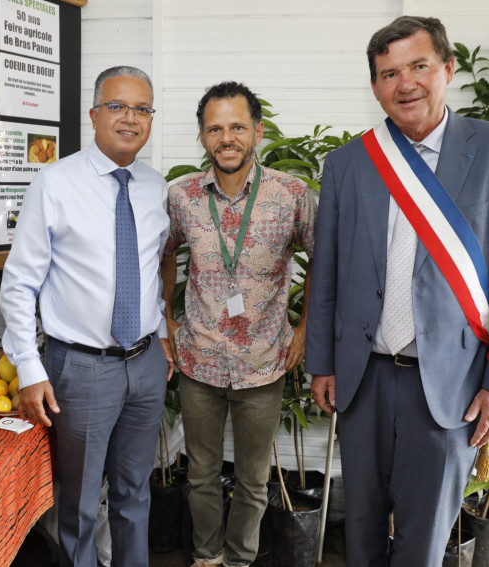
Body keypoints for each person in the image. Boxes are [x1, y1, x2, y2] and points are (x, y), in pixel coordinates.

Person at [305, 16, 489, 566]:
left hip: (450, 390)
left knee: (424, 538)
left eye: (418, 66)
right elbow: (328, 276)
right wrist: (322, 363)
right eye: (389, 73)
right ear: (374, 87)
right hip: (361, 379)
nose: (405, 83)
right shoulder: (346, 164)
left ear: (448, 69)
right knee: (359, 528)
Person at [0, 65, 174, 567]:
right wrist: (31, 371)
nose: (130, 118)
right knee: (77, 502)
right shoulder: (54, 183)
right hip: (80, 369)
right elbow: (19, 284)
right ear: (94, 114)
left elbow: (150, 269)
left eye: (142, 109)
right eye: (118, 106)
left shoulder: (154, 187)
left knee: (135, 493)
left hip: (143, 365)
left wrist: (160, 332)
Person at [161, 81, 317, 567]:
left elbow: (324, 261)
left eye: (236, 126)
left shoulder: (291, 195)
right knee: (201, 473)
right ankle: (206, 558)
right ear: (203, 136)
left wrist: (305, 329)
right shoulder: (181, 196)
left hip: (263, 362)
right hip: (198, 360)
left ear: (257, 130)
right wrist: (165, 319)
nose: (226, 137)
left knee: (253, 478)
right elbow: (163, 256)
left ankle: (240, 559)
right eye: (214, 128)